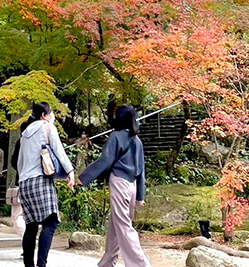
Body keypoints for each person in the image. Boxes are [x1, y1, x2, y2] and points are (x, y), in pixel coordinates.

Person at [79, 105, 150, 267]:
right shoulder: (137, 140)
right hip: (132, 186)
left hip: (119, 182)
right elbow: (141, 170)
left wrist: (84, 177)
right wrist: (141, 195)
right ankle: (107, 263)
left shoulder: (115, 137)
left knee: (124, 226)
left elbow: (105, 160)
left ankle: (140, 264)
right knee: (116, 224)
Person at [17, 102, 75, 267]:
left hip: (24, 183)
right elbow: (59, 150)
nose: (52, 116)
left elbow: (20, 162)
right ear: (44, 115)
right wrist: (70, 171)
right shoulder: (47, 127)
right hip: (40, 180)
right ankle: (41, 264)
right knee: (50, 222)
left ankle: (29, 265)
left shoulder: (25, 134)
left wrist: (22, 181)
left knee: (31, 226)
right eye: (50, 113)